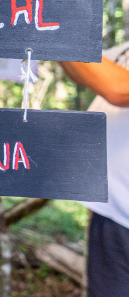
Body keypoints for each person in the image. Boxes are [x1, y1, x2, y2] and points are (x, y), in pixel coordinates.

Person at [60, 48, 129, 296]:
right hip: (113, 210)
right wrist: (53, 42)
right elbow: (85, 68)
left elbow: (119, 88)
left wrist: (54, 32)